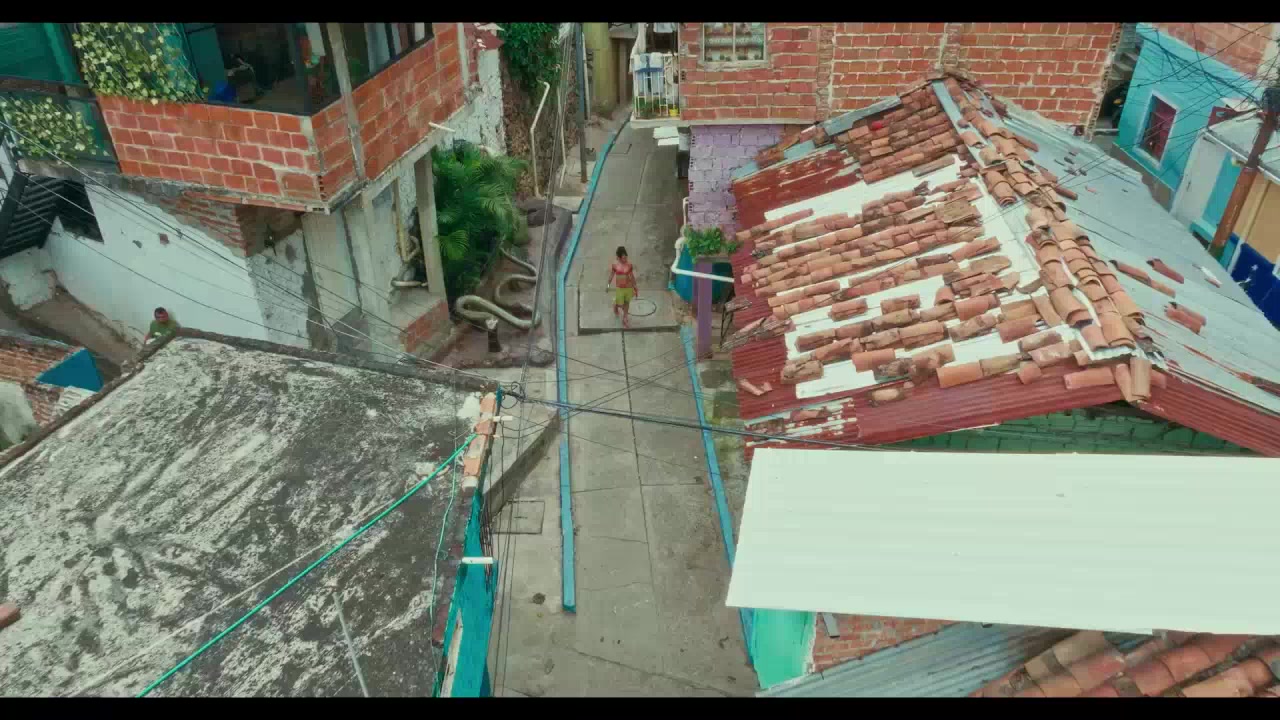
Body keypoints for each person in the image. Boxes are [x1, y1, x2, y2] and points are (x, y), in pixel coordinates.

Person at [606, 246, 638, 329]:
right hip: (620, 289)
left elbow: (632, 276)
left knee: (627, 303)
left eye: (626, 257)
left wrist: (635, 286)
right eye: (623, 258)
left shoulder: (629, 265)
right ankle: (616, 305)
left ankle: (625, 318)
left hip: (628, 288)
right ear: (619, 258)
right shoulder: (615, 265)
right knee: (621, 303)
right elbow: (611, 275)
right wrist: (608, 285)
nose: (625, 259)